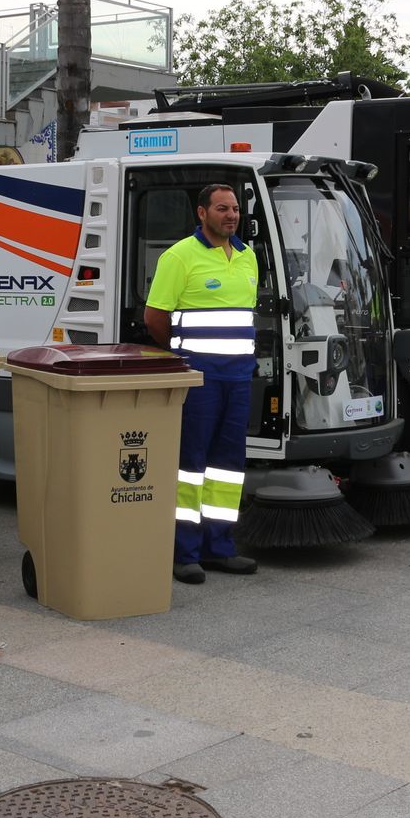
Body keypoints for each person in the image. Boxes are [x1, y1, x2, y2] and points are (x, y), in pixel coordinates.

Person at [144, 184, 260, 583]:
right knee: (190, 465)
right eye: (222, 208)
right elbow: (154, 317)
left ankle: (219, 548)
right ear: (202, 213)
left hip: (239, 377)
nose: (231, 215)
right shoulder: (179, 256)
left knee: (228, 467)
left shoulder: (247, 256)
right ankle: (184, 553)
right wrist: (184, 357)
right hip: (200, 379)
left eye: (235, 209)